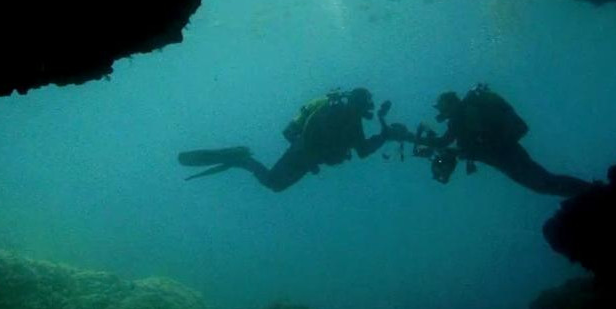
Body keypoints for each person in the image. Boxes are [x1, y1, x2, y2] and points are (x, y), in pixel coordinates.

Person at [179, 87, 412, 192]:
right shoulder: (344, 119)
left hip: (305, 155)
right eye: (365, 105)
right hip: (302, 155)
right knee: (274, 184)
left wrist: (384, 135)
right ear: (360, 104)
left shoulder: (344, 117)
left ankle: (241, 160)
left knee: (275, 184)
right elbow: (362, 150)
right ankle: (241, 160)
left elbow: (359, 149)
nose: (365, 110)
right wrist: (385, 135)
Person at [414, 83, 591, 197]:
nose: (441, 112)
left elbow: (447, 142)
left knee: (544, 183)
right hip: (507, 154)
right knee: (544, 184)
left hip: (507, 155)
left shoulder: (463, 116)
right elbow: (462, 145)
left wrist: (406, 137)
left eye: (442, 107)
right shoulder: (461, 118)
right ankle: (589, 191)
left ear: (452, 103)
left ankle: (591, 192)